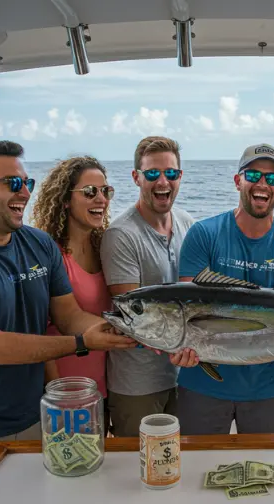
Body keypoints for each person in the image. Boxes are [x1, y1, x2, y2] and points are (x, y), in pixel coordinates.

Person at [0, 141, 136, 485]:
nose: (25, 193)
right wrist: (81, 342)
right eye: (13, 184)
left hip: (33, 417)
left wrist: (124, 329)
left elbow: (69, 315)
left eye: (28, 183)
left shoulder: (38, 244)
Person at [175, 143, 274, 435]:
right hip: (201, 384)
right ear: (238, 180)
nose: (263, 184)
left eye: (273, 179)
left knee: (271, 471)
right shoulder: (203, 235)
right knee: (193, 472)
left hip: (267, 388)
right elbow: (185, 311)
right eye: (253, 175)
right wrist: (177, 343)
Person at [100, 136, 196, 437]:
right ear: (136, 178)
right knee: (138, 469)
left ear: (180, 177)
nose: (162, 181)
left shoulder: (188, 224)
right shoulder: (121, 235)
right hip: (137, 383)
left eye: (171, 173)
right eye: (152, 174)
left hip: (184, 375)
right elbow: (133, 319)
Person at [30, 156, 116, 432]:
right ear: (65, 200)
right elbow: (40, 332)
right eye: (90, 192)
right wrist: (57, 396)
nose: (100, 199)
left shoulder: (106, 247)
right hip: (65, 392)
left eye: (105, 191)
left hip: (103, 387)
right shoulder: (49, 254)